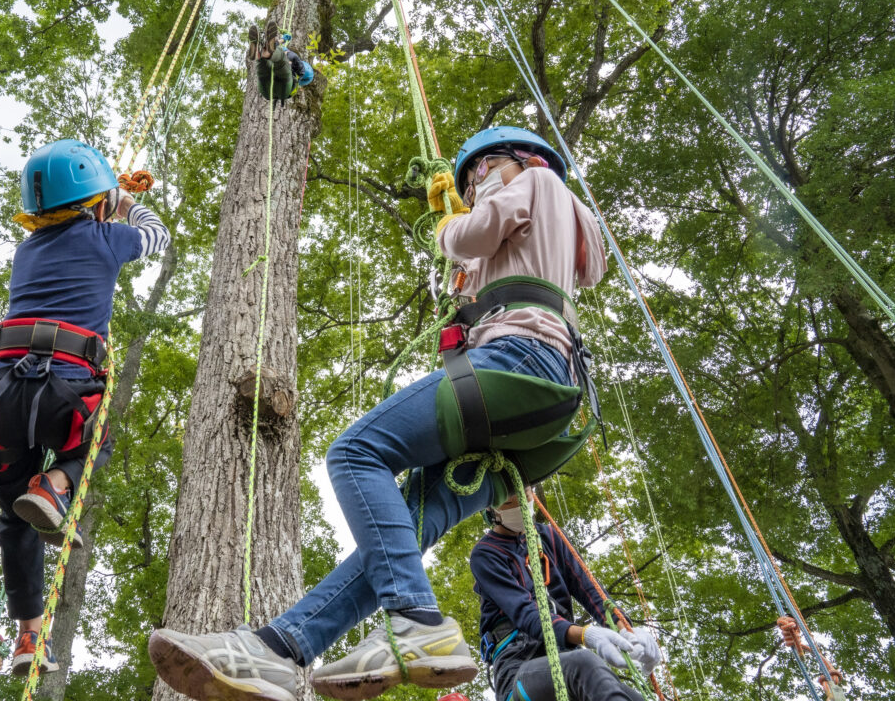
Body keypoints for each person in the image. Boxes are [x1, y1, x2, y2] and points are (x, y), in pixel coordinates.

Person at [148, 126, 608, 701]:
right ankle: (278, 648)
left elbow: (472, 232)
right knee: (406, 528)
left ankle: (416, 623)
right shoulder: (561, 231)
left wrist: (451, 222)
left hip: (517, 359)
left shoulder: (535, 180)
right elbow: (529, 263)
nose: (475, 187)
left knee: (356, 452)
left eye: (480, 174)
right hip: (546, 403)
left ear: (519, 161)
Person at [0, 139, 169, 675]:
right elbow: (157, 235)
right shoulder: (107, 237)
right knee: (99, 438)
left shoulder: (26, 251)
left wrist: (108, 194)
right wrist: (124, 200)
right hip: (65, 394)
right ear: (95, 201)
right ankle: (55, 487)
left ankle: (29, 636)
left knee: (12, 516)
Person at [474, 491, 662, 701]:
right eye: (510, 502)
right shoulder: (486, 555)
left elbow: (589, 588)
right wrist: (586, 635)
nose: (520, 505)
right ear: (491, 510)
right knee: (584, 663)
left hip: (566, 658)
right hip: (519, 666)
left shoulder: (549, 538)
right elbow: (526, 614)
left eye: (525, 495)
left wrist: (625, 629)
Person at [247, 21, 314, 102]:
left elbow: (301, 71)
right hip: (267, 89)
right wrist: (283, 39)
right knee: (264, 66)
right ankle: (260, 54)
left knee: (280, 62)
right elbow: (276, 48)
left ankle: (262, 54)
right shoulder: (295, 77)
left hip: (278, 87)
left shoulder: (298, 76)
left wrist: (283, 41)